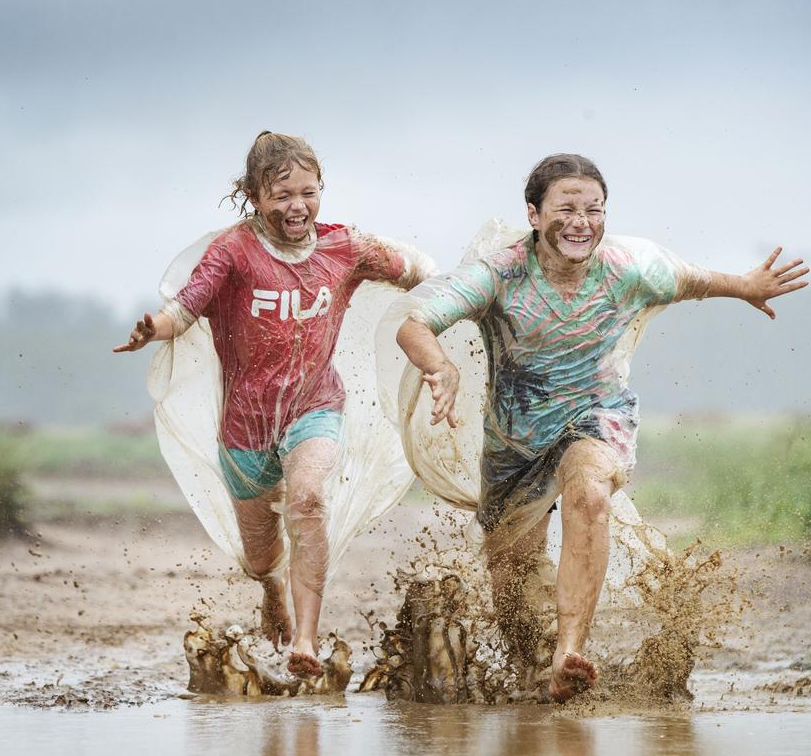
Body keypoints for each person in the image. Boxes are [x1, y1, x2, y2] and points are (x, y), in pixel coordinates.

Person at [394, 153, 807, 701]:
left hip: (597, 417)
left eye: (594, 209)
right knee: (513, 588)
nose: (581, 221)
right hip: (514, 443)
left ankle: (569, 652)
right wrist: (440, 365)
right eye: (565, 208)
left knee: (589, 493)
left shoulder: (627, 267)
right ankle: (533, 672)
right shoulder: (499, 274)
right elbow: (416, 322)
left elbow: (690, 280)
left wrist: (746, 285)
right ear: (534, 215)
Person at [115, 131, 431, 676]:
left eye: (309, 193)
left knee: (308, 502)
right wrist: (155, 330)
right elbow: (186, 307)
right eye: (282, 195)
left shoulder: (344, 247)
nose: (297, 207)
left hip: (316, 406)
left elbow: (421, 273)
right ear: (255, 196)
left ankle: (304, 642)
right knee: (262, 557)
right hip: (244, 428)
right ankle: (271, 588)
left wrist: (469, 297)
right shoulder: (233, 253)